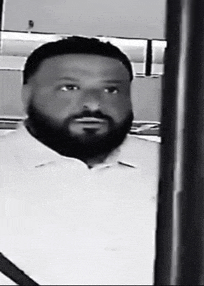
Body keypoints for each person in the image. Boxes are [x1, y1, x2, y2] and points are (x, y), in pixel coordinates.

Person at [0, 36, 159, 285]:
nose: (93, 103)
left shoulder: (178, 169)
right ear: (26, 94)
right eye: (70, 88)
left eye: (111, 90)